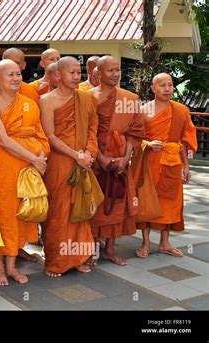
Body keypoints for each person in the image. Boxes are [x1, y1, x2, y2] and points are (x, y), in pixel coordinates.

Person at [0, 59, 50, 286]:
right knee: (3, 214)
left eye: (17, 74)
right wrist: (34, 158)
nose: (15, 78)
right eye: (9, 75)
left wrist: (41, 156)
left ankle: (12, 266)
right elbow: (1, 138)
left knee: (21, 214)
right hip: (3, 165)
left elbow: (40, 134)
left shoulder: (29, 103)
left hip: (28, 165)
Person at [40, 57, 98, 277]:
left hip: (84, 159)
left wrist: (89, 154)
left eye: (78, 72)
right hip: (61, 161)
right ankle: (56, 261)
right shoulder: (47, 100)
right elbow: (50, 135)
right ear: (58, 75)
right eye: (71, 72)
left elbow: (93, 128)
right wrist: (76, 155)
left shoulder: (87, 98)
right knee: (59, 211)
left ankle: (78, 257)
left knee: (80, 208)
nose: (76, 76)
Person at [88, 56, 145, 266]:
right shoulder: (87, 97)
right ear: (98, 74)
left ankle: (110, 250)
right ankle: (92, 250)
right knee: (94, 202)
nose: (115, 74)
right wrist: (100, 157)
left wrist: (126, 157)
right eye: (110, 70)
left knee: (117, 199)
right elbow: (86, 132)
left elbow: (136, 131)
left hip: (120, 154)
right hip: (95, 157)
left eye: (117, 70)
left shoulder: (129, 98)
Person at [136, 73, 197, 258]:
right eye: (162, 85)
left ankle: (164, 242)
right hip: (150, 162)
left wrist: (186, 166)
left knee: (170, 202)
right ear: (153, 88)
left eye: (170, 85)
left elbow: (184, 141)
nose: (167, 88)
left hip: (172, 163)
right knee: (148, 201)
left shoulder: (180, 110)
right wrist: (147, 144)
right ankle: (145, 243)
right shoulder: (144, 111)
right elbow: (135, 139)